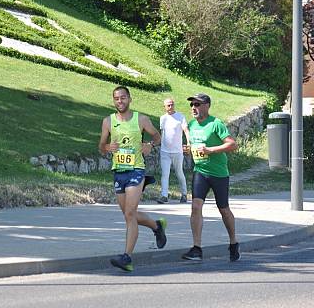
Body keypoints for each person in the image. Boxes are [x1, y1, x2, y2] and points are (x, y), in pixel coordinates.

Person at [99, 86, 167, 272]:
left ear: (129, 99)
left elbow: (157, 136)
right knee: (129, 215)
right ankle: (157, 226)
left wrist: (150, 145)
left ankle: (127, 257)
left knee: (130, 214)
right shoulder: (108, 121)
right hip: (119, 171)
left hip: (136, 170)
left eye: (123, 98)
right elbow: (101, 146)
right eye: (116, 99)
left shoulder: (141, 119)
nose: (119, 101)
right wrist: (107, 148)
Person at [181, 93, 241, 262]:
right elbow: (194, 146)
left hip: (219, 173)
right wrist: (189, 150)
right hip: (200, 171)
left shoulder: (216, 124)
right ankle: (197, 248)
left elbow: (232, 144)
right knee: (195, 206)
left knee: (223, 209)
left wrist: (211, 150)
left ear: (207, 105)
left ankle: (233, 242)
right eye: (192, 104)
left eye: (197, 104)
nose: (194, 107)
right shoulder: (192, 125)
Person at [157, 98, 190, 204]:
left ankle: (184, 194)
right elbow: (163, 133)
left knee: (179, 172)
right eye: (168, 105)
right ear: (165, 107)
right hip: (165, 151)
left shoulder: (180, 117)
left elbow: (185, 130)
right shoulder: (163, 118)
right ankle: (164, 195)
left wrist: (189, 142)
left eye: (172, 105)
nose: (170, 107)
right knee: (165, 174)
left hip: (177, 151)